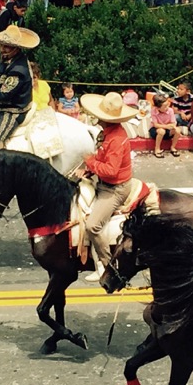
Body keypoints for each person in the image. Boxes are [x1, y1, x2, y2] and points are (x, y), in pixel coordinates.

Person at [73, 92, 138, 282]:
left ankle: (109, 266)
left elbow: (110, 170)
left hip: (115, 189)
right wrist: (88, 170)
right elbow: (102, 160)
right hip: (103, 183)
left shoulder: (116, 139)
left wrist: (90, 162)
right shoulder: (107, 133)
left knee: (92, 226)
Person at [0, 25, 39, 151]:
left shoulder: (18, 70)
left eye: (6, 46)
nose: (2, 49)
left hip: (13, 109)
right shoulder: (11, 59)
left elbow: (4, 94)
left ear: (16, 49)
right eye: (1, 45)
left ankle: (1, 167)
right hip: (3, 103)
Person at [150, 93, 180, 158]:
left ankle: (173, 147)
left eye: (167, 105)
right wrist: (166, 126)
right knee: (161, 131)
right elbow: (156, 125)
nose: (167, 107)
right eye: (165, 106)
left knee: (178, 130)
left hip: (167, 129)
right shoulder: (153, 111)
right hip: (156, 130)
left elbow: (173, 122)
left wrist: (173, 127)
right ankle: (157, 149)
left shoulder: (170, 110)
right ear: (158, 107)